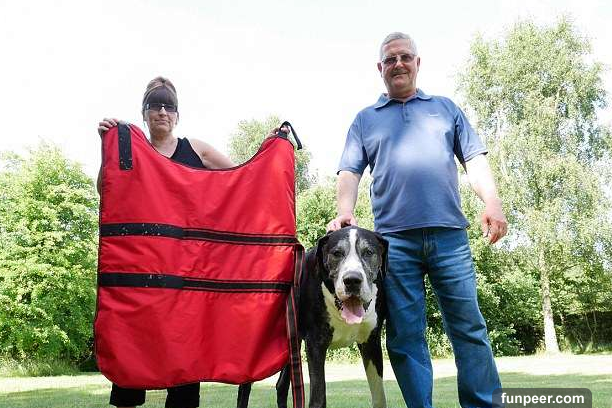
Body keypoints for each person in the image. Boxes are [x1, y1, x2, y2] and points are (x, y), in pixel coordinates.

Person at [327, 33, 508, 408]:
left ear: (417, 63)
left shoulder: (445, 109)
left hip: (450, 238)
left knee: (469, 328)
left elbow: (474, 161)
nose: (398, 64)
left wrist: (492, 201)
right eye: (390, 59)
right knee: (406, 335)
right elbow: (349, 171)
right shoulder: (365, 120)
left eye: (405, 57)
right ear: (380, 68)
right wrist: (345, 209)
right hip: (394, 245)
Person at [97, 76, 284, 408]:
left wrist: (272, 149)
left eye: (169, 106)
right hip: (142, 279)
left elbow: (244, 181)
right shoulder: (130, 149)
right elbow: (107, 191)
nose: (162, 112)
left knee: (184, 370)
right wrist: (108, 148)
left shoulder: (196, 150)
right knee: (130, 364)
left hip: (187, 278)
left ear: (177, 115)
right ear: (144, 113)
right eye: (155, 105)